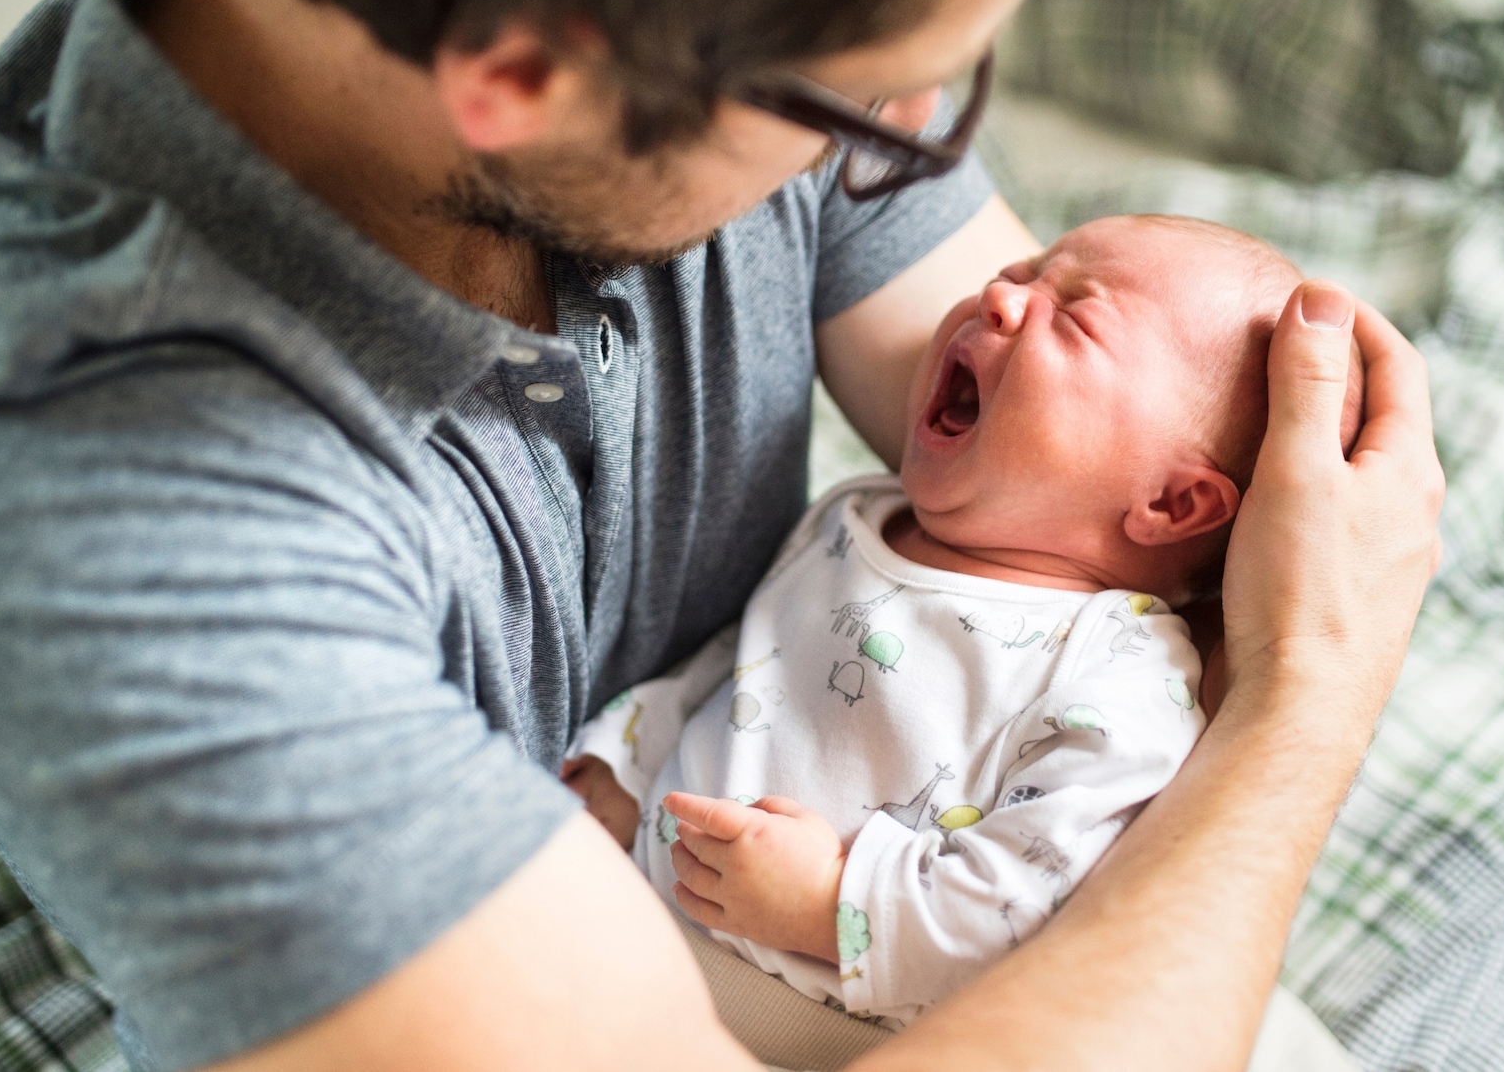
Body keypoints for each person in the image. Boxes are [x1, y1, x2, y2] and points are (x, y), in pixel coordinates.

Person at [0, 0, 1444, 1069]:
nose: (913, 143)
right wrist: (1309, 694)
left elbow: (1091, 506)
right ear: (520, 76)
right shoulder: (78, 489)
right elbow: (1262, 627)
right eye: (871, 96)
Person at [565, 215, 1362, 1028]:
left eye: (1077, 317)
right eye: (1023, 270)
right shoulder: (857, 516)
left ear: (1171, 503)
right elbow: (745, 667)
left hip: (824, 1029)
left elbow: (1028, 905)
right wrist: (630, 760)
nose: (999, 298)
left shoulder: (1122, 672)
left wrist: (831, 900)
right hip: (630, 924)